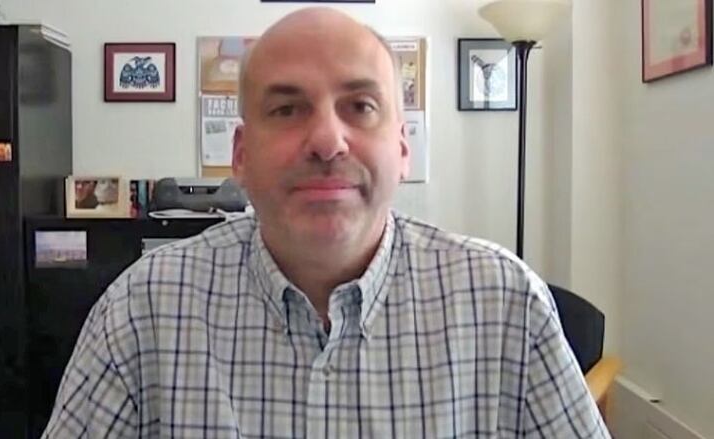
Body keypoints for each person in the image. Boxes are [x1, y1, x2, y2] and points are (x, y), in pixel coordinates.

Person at [43, 7, 610, 438]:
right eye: (287, 109)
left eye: (360, 106)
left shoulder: (505, 303)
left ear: (403, 148)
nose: (326, 140)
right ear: (239, 154)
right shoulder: (142, 309)